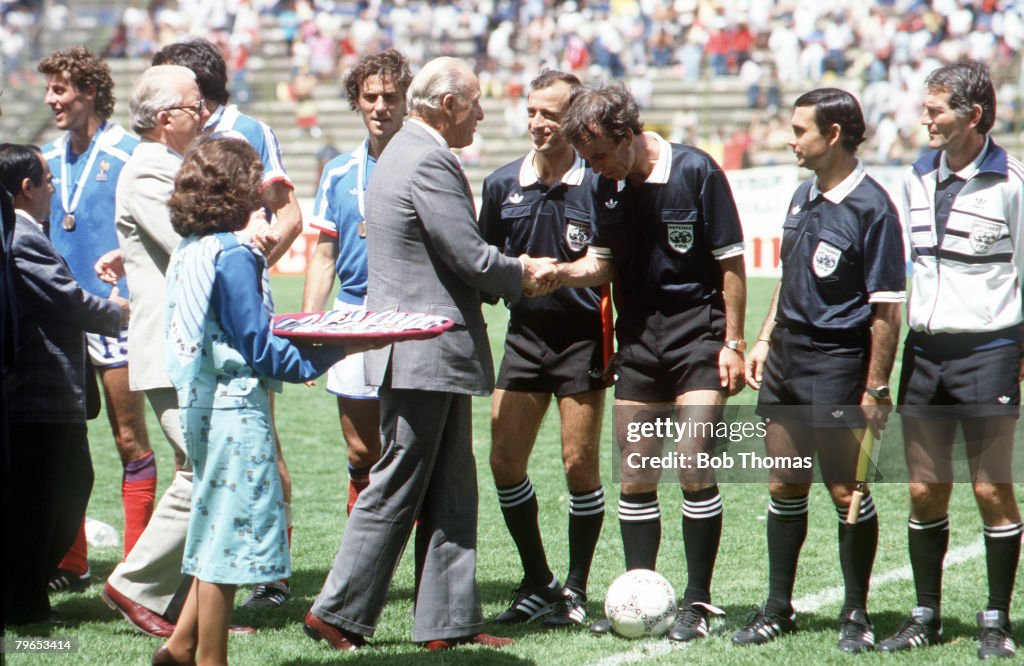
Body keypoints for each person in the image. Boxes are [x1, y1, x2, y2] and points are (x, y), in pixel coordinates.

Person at [305, 56, 557, 652]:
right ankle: (336, 611)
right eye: (475, 105)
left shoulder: (401, 151)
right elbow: (469, 256)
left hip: (420, 346)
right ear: (448, 105)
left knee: (450, 487)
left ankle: (448, 623)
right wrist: (524, 273)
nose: (482, 116)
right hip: (426, 347)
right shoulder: (430, 157)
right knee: (399, 480)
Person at [552, 82, 747, 643]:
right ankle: (643, 594)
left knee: (691, 461)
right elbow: (603, 263)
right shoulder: (600, 182)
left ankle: (699, 602)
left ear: (630, 134)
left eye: (601, 155)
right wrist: (560, 273)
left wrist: (732, 342)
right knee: (636, 475)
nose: (595, 168)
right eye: (588, 160)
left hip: (698, 337)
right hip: (638, 340)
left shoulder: (696, 171)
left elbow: (731, 264)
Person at [153, 136, 354, 666]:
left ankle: (179, 646)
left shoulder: (192, 248)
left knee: (211, 521)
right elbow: (259, 347)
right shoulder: (235, 255)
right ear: (238, 189)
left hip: (198, 404)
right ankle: (209, 659)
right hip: (234, 409)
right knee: (226, 541)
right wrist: (337, 349)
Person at [732, 88, 905, 653]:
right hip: (786, 358)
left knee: (844, 487)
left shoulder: (873, 207)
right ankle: (777, 608)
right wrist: (763, 338)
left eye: (800, 129)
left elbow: (885, 309)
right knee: (784, 481)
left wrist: (876, 387)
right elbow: (788, 275)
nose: (790, 138)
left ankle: (856, 614)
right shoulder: (802, 194)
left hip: (837, 362)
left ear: (833, 136)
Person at [151, 36, 304, 612]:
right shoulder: (213, 245)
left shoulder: (249, 132)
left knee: (247, 467)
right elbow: (263, 349)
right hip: (219, 369)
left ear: (198, 91)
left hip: (215, 349)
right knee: (219, 486)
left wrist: (254, 263)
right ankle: (200, 623)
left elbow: (287, 209)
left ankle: (268, 576)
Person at [877, 60, 1023, 661]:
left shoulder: (1014, 182)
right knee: (923, 490)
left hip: (990, 351)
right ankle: (924, 615)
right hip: (925, 353)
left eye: (936, 111)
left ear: (974, 116)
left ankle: (996, 618)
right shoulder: (916, 174)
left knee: (991, 491)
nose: (925, 120)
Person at [479, 69, 607, 628]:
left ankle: (576, 588)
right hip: (524, 339)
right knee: (505, 461)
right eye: (532, 111)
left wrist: (565, 273)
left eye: (550, 114)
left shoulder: (599, 183)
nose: (538, 123)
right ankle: (539, 580)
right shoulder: (501, 185)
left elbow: (614, 266)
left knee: (578, 464)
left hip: (583, 339)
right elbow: (481, 264)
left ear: (575, 118)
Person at [99, 64, 220, 638]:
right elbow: (189, 245)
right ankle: (135, 585)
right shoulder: (149, 169)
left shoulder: (166, 164)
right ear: (167, 117)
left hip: (184, 344)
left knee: (200, 467)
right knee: (203, 469)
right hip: (171, 345)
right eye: (196, 104)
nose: (205, 112)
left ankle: (182, 602)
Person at [38, 46, 151, 586]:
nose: (50, 100)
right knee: (65, 445)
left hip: (116, 317)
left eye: (60, 90)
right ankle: (71, 561)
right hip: (60, 322)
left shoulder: (132, 154)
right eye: (48, 90)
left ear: (88, 91)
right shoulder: (44, 160)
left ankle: (135, 568)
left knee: (129, 441)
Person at [1, 143, 126, 625]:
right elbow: (70, 301)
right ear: (26, 188)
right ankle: (25, 610)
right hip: (38, 395)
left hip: (46, 396)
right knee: (43, 500)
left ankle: (24, 597)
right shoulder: (21, 236)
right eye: (47, 180)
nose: (54, 187)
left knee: (60, 491)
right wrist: (121, 311)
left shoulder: (26, 231)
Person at [301, 49, 411, 517]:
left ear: (407, 100)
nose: (381, 106)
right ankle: (365, 569)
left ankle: (423, 562)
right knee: (362, 453)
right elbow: (324, 255)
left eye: (391, 96)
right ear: (357, 101)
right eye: (371, 97)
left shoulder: (425, 163)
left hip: (409, 315)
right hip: (352, 316)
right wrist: (309, 328)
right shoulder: (338, 172)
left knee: (410, 449)